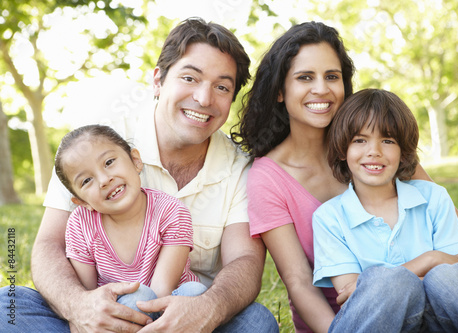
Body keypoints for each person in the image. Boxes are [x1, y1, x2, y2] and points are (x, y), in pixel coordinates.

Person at [1, 18, 278, 332]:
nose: (204, 98)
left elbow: (244, 260)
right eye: (190, 77)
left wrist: (209, 308)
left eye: (222, 87)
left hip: (188, 320)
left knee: (256, 322)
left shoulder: (241, 167)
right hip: (101, 312)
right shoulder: (95, 146)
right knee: (7, 305)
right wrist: (80, 307)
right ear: (158, 80)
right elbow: (48, 245)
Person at [231, 21, 458, 333]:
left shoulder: (379, 151)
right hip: (346, 320)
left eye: (332, 77)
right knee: (389, 284)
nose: (321, 89)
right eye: (305, 77)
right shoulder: (267, 177)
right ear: (280, 91)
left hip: (427, 310)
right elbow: (298, 282)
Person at [312, 88, 458, 332]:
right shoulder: (329, 217)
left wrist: (420, 271)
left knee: (449, 278)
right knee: (391, 283)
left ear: (403, 152)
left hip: (440, 321)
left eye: (388, 140)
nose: (374, 151)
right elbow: (352, 296)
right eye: (360, 140)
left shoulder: (432, 197)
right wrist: (430, 261)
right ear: (342, 150)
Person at [55, 124, 207, 324]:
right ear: (82, 202)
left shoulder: (171, 211)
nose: (104, 179)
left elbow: (161, 292)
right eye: (86, 181)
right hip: (116, 316)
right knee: (7, 304)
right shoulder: (80, 223)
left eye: (109, 162)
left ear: (135, 161)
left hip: (171, 312)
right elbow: (88, 298)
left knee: (194, 292)